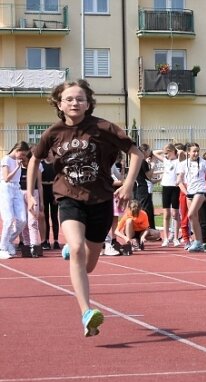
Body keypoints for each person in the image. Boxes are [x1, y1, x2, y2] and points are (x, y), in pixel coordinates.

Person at [27, 79, 143, 336]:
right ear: (59, 103)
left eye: (80, 98)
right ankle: (86, 312)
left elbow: (137, 153)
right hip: (68, 197)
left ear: (88, 103)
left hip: (100, 200)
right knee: (78, 249)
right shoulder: (53, 133)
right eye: (69, 99)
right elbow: (34, 159)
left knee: (88, 264)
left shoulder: (103, 128)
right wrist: (30, 193)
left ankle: (74, 251)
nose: (74, 103)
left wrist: (127, 184)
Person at [177, 142, 206, 252]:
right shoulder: (183, 164)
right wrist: (186, 192)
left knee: (191, 214)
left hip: (200, 191)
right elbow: (179, 181)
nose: (196, 153)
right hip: (190, 192)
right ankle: (199, 242)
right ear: (188, 152)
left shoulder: (203, 162)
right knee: (194, 218)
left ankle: (197, 242)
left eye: (198, 151)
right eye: (194, 151)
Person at [0, 142, 31, 259]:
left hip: (17, 188)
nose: (22, 157)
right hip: (6, 189)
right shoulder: (6, 160)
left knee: (22, 220)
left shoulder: (20, 160)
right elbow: (6, 178)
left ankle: (8, 241)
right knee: (9, 219)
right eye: (22, 154)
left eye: (24, 155)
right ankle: (2, 248)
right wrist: (17, 167)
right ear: (17, 150)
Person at [151, 143, 181, 247]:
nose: (165, 155)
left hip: (175, 188)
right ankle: (166, 238)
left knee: (175, 214)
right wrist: (163, 150)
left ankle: (176, 238)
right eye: (165, 153)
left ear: (172, 151)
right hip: (166, 187)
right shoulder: (165, 160)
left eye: (167, 153)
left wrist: (176, 150)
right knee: (166, 214)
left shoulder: (178, 160)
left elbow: (183, 153)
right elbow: (154, 152)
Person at [18, 149, 44, 257]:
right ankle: (27, 244)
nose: (23, 162)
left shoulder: (35, 169)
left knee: (33, 221)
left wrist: (41, 201)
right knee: (23, 222)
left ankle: (34, 245)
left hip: (34, 194)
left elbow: (39, 185)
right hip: (20, 194)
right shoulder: (18, 169)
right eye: (21, 160)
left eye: (25, 160)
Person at [40, 150, 60, 250]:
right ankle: (46, 240)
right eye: (46, 153)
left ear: (53, 154)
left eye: (49, 153)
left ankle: (56, 240)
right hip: (44, 190)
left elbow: (59, 180)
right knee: (45, 217)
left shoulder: (56, 165)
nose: (47, 155)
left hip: (53, 190)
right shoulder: (41, 164)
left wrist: (57, 195)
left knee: (54, 216)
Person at [133, 143, 156, 231]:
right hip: (142, 187)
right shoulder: (142, 161)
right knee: (145, 208)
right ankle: (145, 228)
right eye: (148, 150)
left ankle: (148, 228)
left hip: (138, 187)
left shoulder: (137, 160)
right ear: (144, 151)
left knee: (146, 207)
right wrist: (153, 166)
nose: (149, 152)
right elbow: (149, 175)